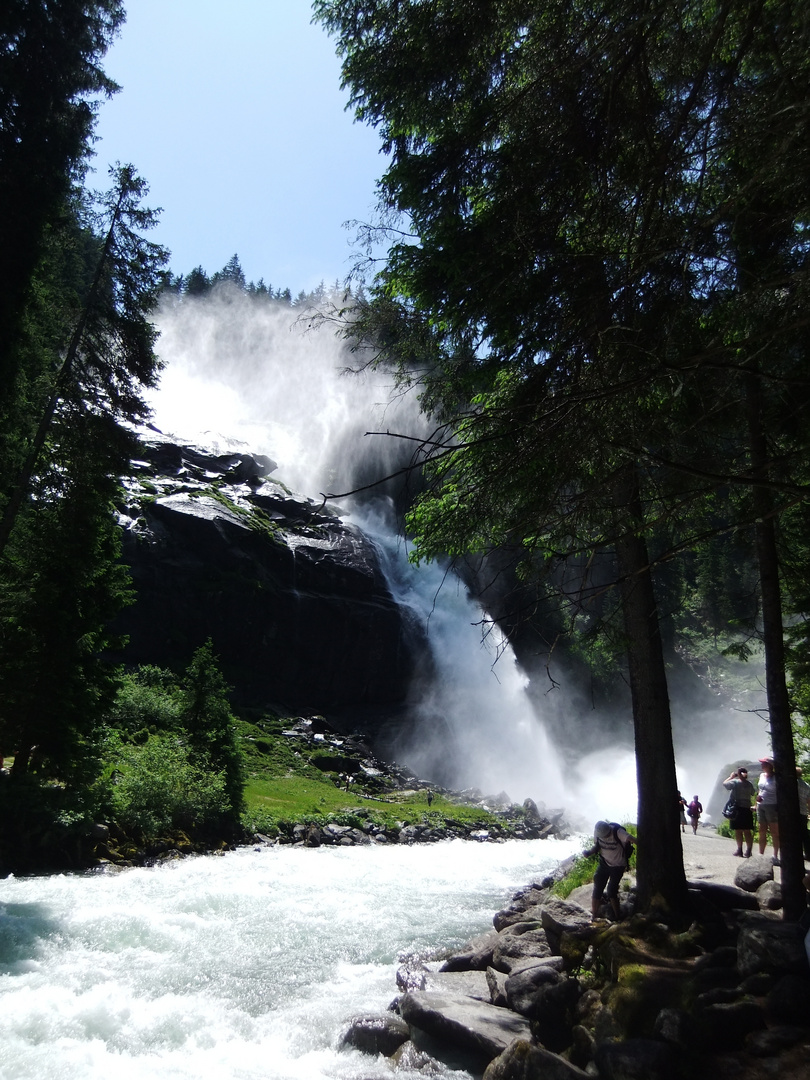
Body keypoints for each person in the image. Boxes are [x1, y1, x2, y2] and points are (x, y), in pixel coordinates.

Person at [583, 820, 636, 922]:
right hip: (604, 863)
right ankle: (593, 916)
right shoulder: (598, 833)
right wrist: (589, 853)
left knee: (611, 890)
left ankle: (617, 917)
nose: (605, 837)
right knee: (598, 886)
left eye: (606, 835)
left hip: (618, 866)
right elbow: (597, 846)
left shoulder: (618, 832)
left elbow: (633, 839)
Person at [722, 766, 755, 857]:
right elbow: (752, 793)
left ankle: (739, 850)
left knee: (738, 830)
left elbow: (725, 784)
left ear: (739, 773)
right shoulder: (749, 784)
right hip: (747, 809)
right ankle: (748, 851)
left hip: (736, 809)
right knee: (747, 831)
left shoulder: (735, 782)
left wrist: (731, 777)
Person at [756, 756, 779, 863]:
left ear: (770, 765)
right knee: (762, 830)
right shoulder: (762, 776)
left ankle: (775, 855)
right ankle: (761, 854)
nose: (762, 765)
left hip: (772, 805)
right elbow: (760, 789)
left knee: (774, 831)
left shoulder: (776, 778)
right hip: (760, 805)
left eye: (764, 763)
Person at [796, 767, 810, 862]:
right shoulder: (806, 785)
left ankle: (797, 853)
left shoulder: (794, 783)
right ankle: (808, 853)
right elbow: (808, 801)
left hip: (794, 812)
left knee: (795, 834)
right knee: (804, 833)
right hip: (804, 812)